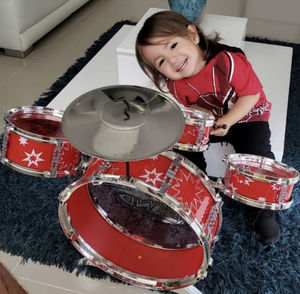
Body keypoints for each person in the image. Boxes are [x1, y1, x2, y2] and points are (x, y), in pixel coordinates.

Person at [135, 10, 280, 245]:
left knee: (257, 153)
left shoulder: (228, 61)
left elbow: (251, 95)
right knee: (183, 145)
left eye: (172, 45)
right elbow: (192, 108)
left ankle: (262, 211)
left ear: (192, 34)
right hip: (216, 121)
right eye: (161, 61)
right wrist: (201, 116)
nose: (172, 59)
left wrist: (227, 121)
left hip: (248, 115)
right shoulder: (176, 84)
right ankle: (195, 189)